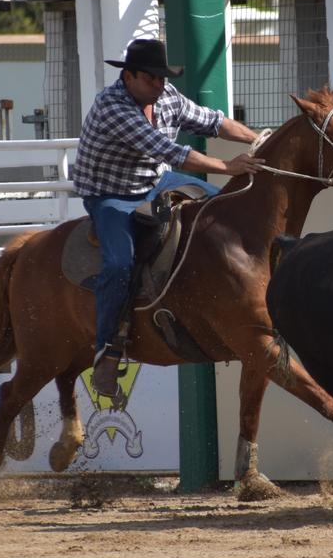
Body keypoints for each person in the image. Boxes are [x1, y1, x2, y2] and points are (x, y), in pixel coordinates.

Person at [74, 38, 264, 398]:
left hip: (155, 181)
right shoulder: (112, 107)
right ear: (128, 77)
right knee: (118, 262)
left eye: (162, 78)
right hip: (111, 195)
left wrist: (260, 142)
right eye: (151, 79)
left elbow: (215, 122)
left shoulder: (165, 95)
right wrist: (228, 165)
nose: (159, 86)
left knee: (222, 210)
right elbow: (170, 152)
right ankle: (106, 349)